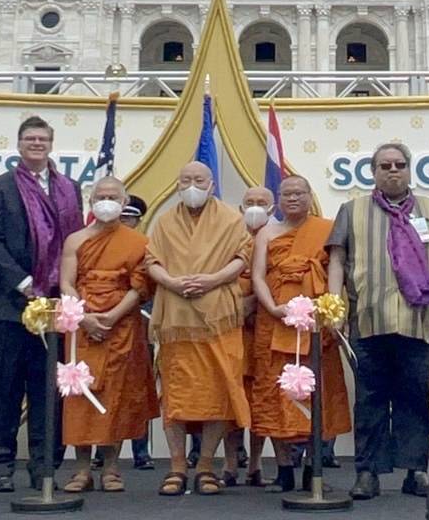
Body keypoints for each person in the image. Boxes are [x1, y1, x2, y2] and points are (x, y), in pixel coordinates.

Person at [327, 142, 429, 501]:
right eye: (384, 165)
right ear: (373, 172)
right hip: (368, 321)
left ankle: (416, 470)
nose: (393, 170)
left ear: (409, 169)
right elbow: (338, 259)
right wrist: (334, 306)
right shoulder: (351, 210)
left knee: (415, 398)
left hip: (417, 322)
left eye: (399, 164)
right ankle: (368, 473)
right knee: (370, 399)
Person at [0, 116, 83, 492]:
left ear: (51, 144)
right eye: (29, 138)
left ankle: (45, 465)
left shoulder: (69, 188)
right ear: (19, 144)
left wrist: (64, 289)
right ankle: (2, 464)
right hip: (9, 306)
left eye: (42, 138)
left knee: (48, 391)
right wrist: (24, 283)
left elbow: (75, 244)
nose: (36, 144)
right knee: (4, 391)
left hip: (55, 308)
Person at [144, 161, 253, 497]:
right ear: (178, 184)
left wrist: (212, 279)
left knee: (218, 392)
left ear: (211, 184)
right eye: (185, 179)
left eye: (198, 179)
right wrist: (172, 282)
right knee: (177, 394)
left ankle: (205, 464)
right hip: (177, 318)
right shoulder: (164, 221)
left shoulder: (231, 219)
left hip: (218, 315)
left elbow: (242, 257)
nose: (192, 185)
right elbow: (151, 262)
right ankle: (177, 466)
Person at [251, 175, 352, 492]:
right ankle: (283, 470)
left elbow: (338, 272)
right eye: (286, 194)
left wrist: (332, 314)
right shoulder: (266, 232)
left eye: (299, 192)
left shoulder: (327, 228)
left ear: (310, 195)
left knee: (317, 393)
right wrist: (273, 308)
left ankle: (313, 467)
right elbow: (258, 277)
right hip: (275, 322)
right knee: (276, 393)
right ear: (278, 200)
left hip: (317, 324)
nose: (292, 198)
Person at [57, 176, 157, 493]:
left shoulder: (139, 242)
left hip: (122, 323)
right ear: (91, 201)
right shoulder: (75, 240)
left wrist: (112, 316)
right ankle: (82, 470)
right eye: (101, 195)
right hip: (83, 325)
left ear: (123, 202)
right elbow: (66, 283)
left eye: (113, 196)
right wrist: (84, 317)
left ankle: (112, 468)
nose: (106, 200)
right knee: (81, 395)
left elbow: (140, 286)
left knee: (117, 394)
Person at [232, 186, 277, 486]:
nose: (255, 207)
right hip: (231, 327)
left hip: (267, 327)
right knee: (232, 395)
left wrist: (255, 303)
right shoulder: (229, 237)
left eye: (262, 203)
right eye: (249, 202)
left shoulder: (278, 237)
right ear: (239, 207)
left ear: (273, 209)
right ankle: (232, 461)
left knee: (260, 396)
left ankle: (257, 464)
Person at [120, 195, 156, 471]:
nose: (125, 222)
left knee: (138, 387)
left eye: (129, 218)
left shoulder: (148, 246)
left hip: (141, 321)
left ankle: (141, 451)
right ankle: (102, 450)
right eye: (122, 217)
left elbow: (152, 284)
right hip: (106, 323)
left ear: (138, 220)